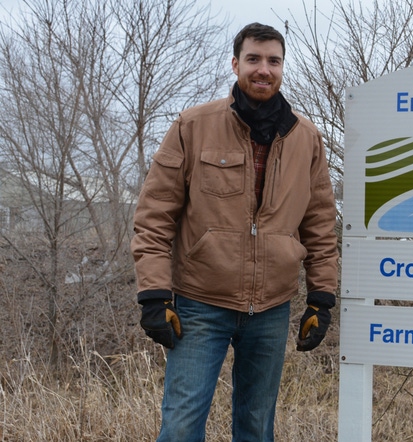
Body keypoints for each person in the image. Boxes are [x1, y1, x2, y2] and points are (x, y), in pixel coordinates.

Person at [131, 22, 339, 441]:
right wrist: (154, 294)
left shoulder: (307, 138)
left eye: (273, 61)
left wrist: (321, 298)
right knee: (181, 426)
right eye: (254, 59)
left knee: (257, 427)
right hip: (199, 304)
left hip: (272, 308)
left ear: (282, 67)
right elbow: (154, 216)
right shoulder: (193, 125)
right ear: (235, 64)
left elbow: (319, 223)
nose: (264, 69)